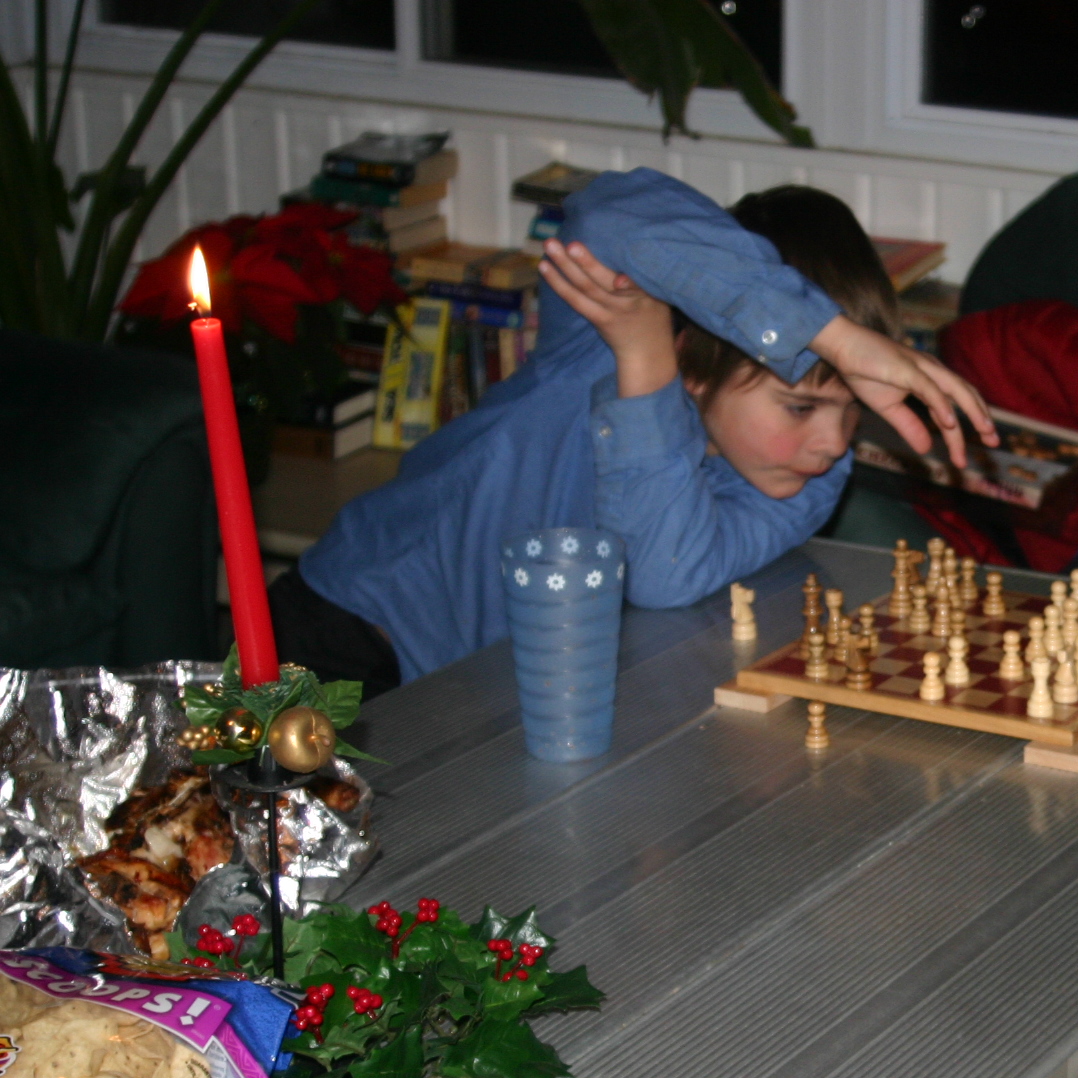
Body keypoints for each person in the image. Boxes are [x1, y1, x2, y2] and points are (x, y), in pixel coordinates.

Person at [274, 171, 993, 694]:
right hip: (344, 624)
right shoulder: (600, 333)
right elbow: (605, 209)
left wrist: (645, 362)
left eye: (851, 411)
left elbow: (661, 572)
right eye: (801, 408)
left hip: (466, 689)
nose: (835, 445)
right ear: (697, 366)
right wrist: (825, 335)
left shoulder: (807, 483)